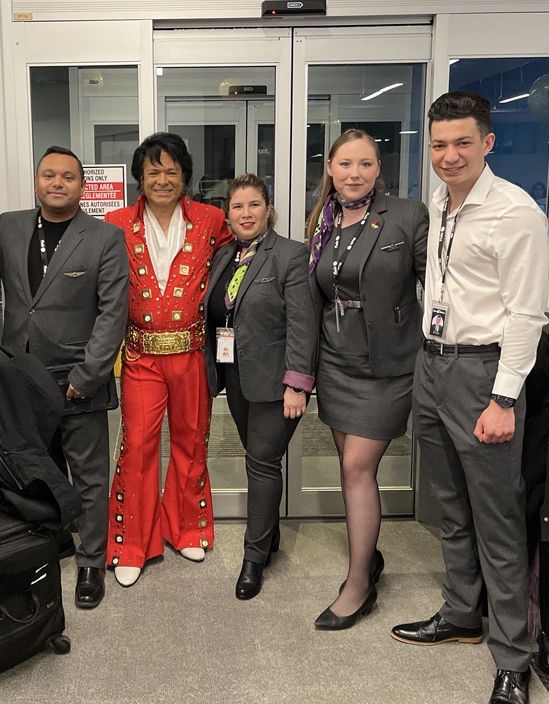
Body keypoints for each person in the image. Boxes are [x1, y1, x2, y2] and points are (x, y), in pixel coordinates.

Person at [390, 92, 548, 704]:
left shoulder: (514, 212)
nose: (449, 156)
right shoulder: (442, 205)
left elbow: (526, 315)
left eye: (462, 143)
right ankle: (461, 613)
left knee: (498, 519)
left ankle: (513, 655)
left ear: (488, 142)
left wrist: (504, 399)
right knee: (450, 507)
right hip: (432, 367)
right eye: (438, 144)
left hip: (484, 377)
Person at [0, 146, 128, 609]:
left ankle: (91, 564)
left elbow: (112, 313)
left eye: (68, 176)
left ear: (82, 186)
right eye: (49, 175)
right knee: (37, 469)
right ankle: (49, 545)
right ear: (37, 180)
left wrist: (88, 374)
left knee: (88, 475)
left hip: (78, 376)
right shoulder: (8, 227)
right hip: (22, 376)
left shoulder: (105, 237)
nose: (57, 183)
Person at [306, 128, 429, 630]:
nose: (354, 174)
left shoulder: (407, 215)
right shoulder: (322, 220)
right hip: (337, 360)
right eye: (345, 164)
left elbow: (438, 284)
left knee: (358, 466)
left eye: (366, 164)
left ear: (379, 169)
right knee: (348, 465)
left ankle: (359, 584)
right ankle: (368, 556)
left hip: (388, 362)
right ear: (330, 168)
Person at [104, 132, 233, 588]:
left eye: (171, 171)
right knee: (137, 449)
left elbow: (242, 260)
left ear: (185, 177)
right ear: (140, 176)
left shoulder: (212, 219)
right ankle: (131, 545)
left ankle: (187, 529)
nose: (162, 179)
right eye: (153, 170)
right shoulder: (115, 222)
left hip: (193, 353)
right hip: (139, 354)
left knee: (191, 441)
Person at [204, 174, 317, 600]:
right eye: (237, 207)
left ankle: (253, 558)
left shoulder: (289, 254)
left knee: (262, 464)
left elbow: (303, 325)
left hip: (276, 382)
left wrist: (297, 384)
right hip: (235, 377)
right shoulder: (224, 256)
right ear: (227, 214)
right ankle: (269, 539)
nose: (246, 213)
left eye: (254, 205)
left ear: (268, 209)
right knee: (260, 458)